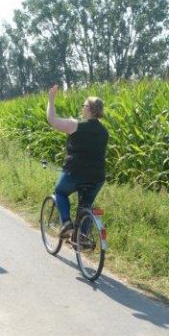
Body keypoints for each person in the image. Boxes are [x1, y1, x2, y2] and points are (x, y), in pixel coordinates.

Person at [46, 84, 109, 237]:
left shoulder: (75, 125)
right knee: (85, 205)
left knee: (60, 192)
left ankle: (67, 224)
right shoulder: (104, 131)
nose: (82, 108)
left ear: (90, 109)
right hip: (97, 177)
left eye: (84, 105)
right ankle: (83, 237)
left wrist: (51, 99)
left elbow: (52, 119)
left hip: (75, 173)